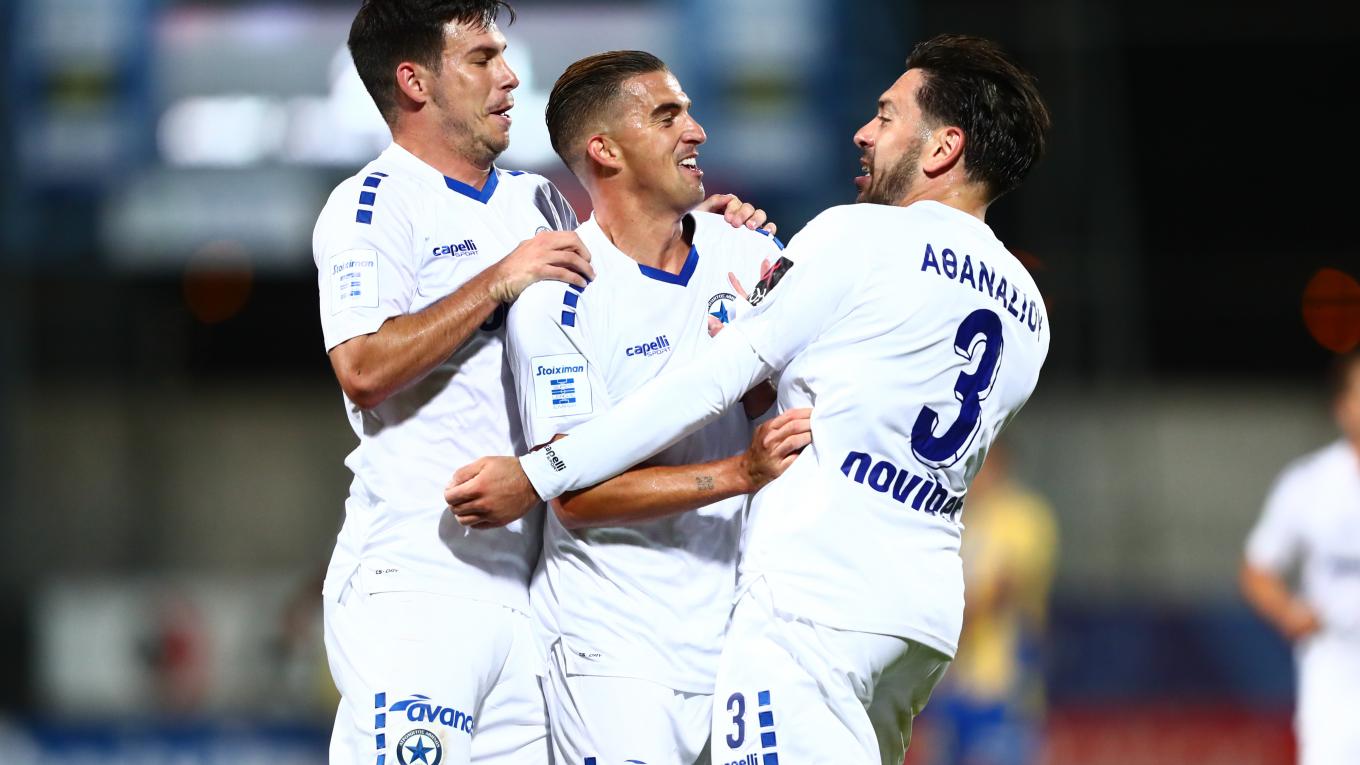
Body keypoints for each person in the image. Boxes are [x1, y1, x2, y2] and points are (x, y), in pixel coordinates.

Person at [445, 33, 1053, 765]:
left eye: (887, 117)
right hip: (918, 615)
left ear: (943, 148)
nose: (864, 132)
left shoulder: (858, 235)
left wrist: (538, 471)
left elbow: (714, 380)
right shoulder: (1029, 309)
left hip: (812, 603)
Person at [313, 3, 767, 763]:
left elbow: (625, 299)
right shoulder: (370, 205)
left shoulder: (537, 199)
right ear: (415, 82)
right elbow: (361, 369)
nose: (509, 76)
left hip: (533, 588)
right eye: (482, 59)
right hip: (420, 577)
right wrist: (497, 279)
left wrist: (700, 231)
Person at [505, 50, 809, 765]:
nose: (695, 131)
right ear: (604, 150)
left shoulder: (747, 253)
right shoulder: (561, 295)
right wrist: (739, 472)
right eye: (666, 116)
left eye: (689, 112)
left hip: (740, 639)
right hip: (613, 647)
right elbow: (574, 493)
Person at [1241, 350, 1360, 765]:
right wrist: (1289, 611)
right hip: (1336, 665)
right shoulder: (1310, 483)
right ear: (1342, 406)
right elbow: (1257, 568)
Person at [924, 441, 1058, 765]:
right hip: (952, 683)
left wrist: (945, 621)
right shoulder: (955, 518)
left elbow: (1005, 587)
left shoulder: (1023, 515)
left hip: (1003, 683)